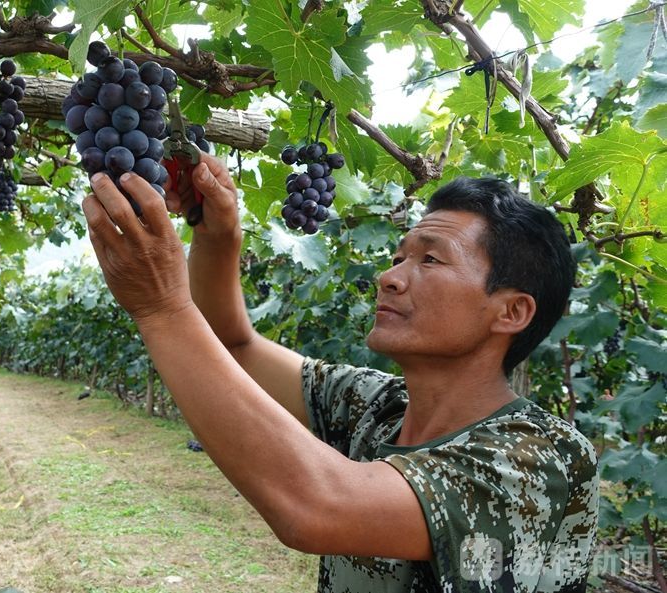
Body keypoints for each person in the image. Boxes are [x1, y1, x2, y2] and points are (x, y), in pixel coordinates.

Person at [81, 156, 600, 593]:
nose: (390, 276)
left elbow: (318, 506)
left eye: (431, 260)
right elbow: (236, 347)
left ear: (510, 313)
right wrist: (218, 235)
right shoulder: (379, 406)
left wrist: (163, 308)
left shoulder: (542, 456)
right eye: (398, 256)